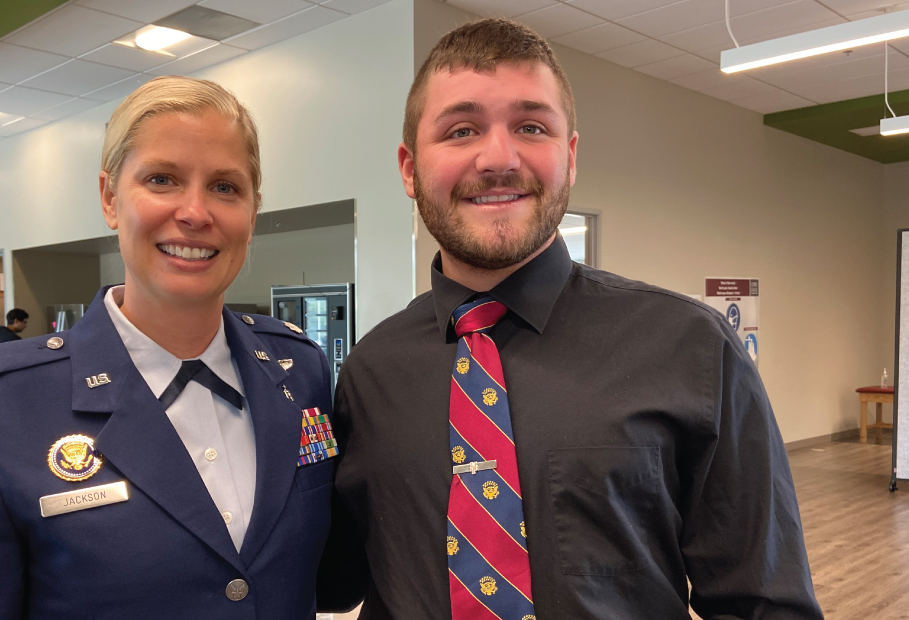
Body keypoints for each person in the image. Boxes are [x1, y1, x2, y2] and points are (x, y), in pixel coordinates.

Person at [317, 19, 822, 620]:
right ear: (408, 168)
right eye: (461, 130)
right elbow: (336, 580)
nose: (499, 158)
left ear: (571, 156)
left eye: (531, 127)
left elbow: (764, 605)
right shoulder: (369, 373)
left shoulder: (692, 349)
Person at [0, 76, 336, 619]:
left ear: (253, 211)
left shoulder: (298, 371)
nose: (195, 212)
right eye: (162, 179)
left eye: (226, 187)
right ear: (111, 199)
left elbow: (332, 574)